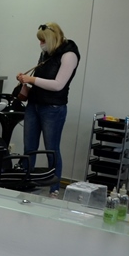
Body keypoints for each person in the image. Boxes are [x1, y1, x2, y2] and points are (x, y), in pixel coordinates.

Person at [16, 22, 80, 198]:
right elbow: (40, 80)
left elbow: (58, 85)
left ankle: (54, 189)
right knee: (29, 147)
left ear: (52, 39)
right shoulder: (46, 53)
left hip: (53, 108)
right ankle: (26, 182)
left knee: (52, 149)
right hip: (34, 104)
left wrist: (31, 80)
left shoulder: (69, 55)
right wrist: (26, 81)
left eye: (43, 40)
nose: (40, 44)